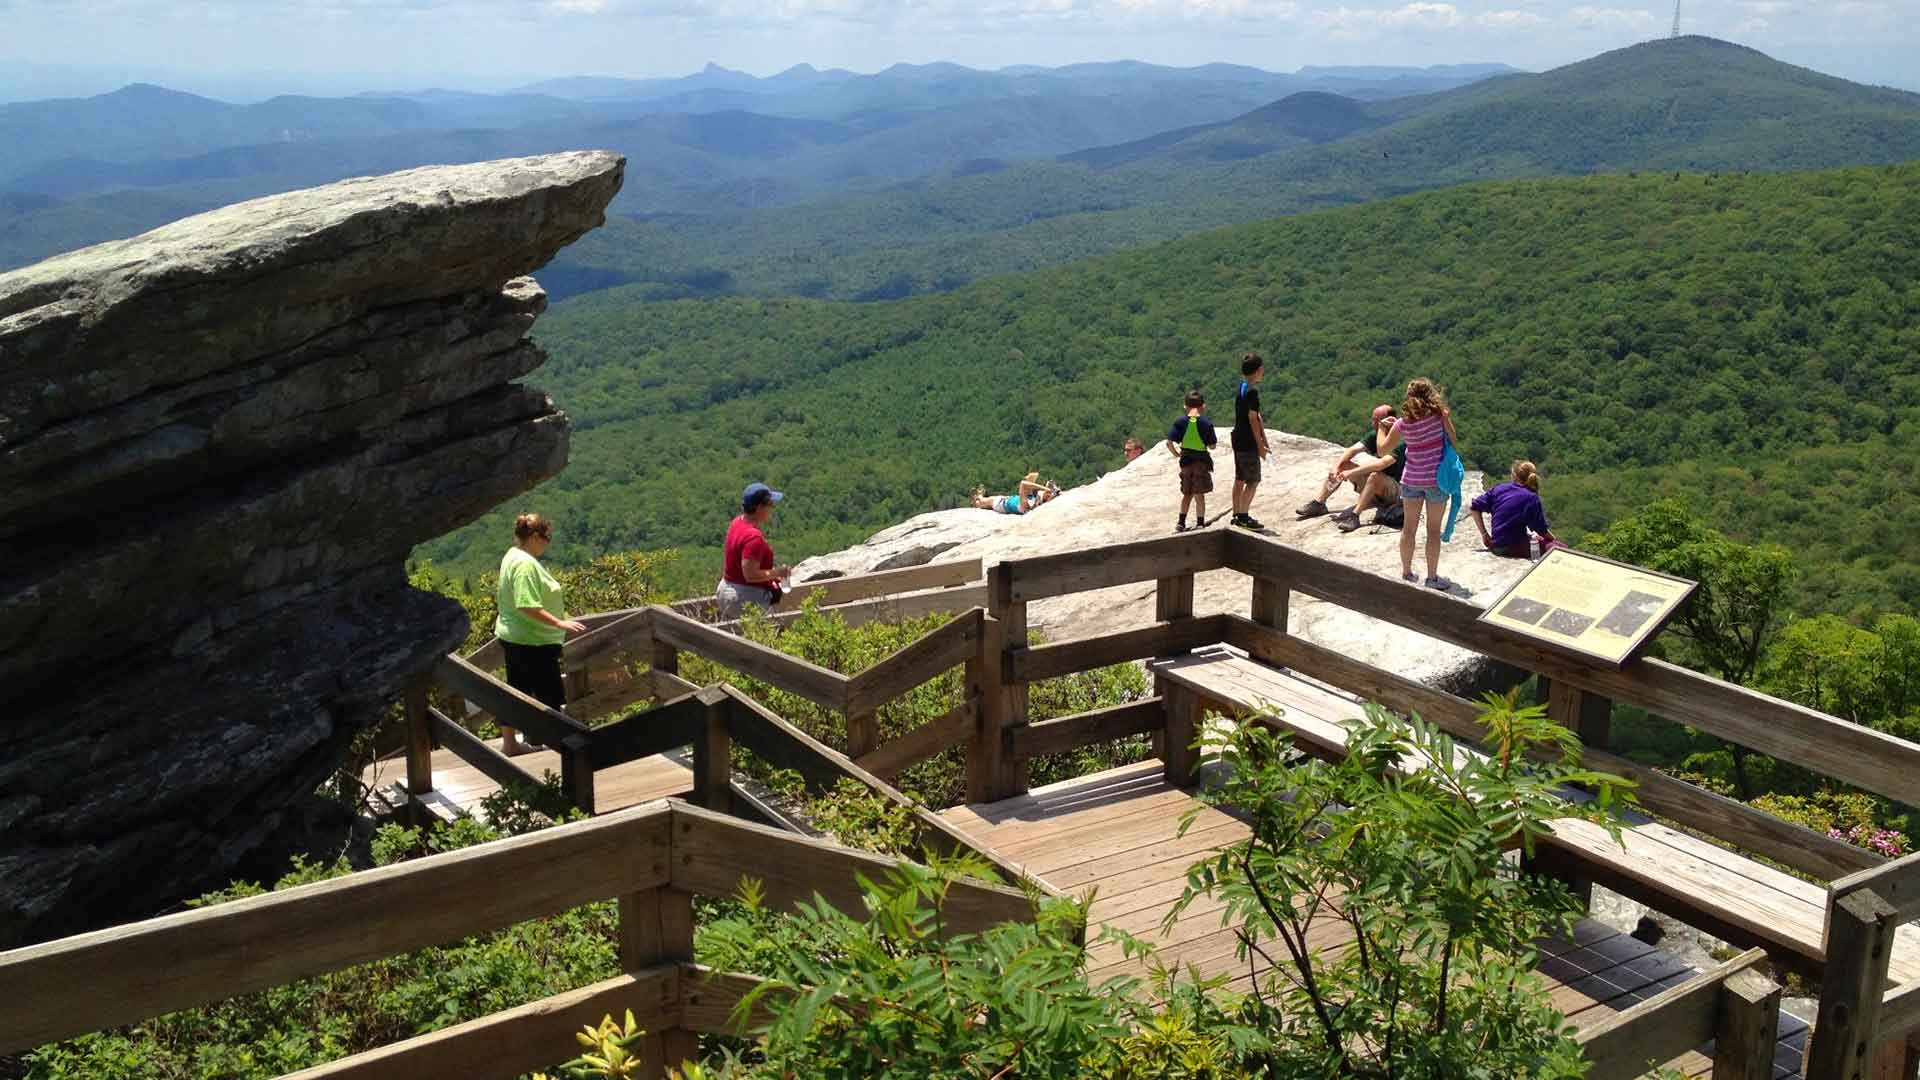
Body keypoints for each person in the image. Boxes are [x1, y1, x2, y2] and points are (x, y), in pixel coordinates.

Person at [494, 512, 587, 757]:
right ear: (535, 537)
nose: (548, 543)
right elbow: (527, 605)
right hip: (533, 640)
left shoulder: (512, 555)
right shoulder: (525, 565)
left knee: (516, 691)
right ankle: (555, 747)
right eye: (547, 538)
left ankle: (513, 744)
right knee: (549, 694)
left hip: (516, 636)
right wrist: (559, 623)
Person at [1376, 377, 1460, 590]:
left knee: (1408, 529)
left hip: (1411, 479)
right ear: (1431, 395)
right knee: (1433, 531)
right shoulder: (1438, 416)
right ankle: (1432, 578)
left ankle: (1406, 573)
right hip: (1436, 481)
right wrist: (1446, 418)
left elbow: (1382, 450)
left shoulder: (1402, 423)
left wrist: (1381, 428)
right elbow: (1454, 440)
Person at [1296, 404, 1403, 532]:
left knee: (1375, 476)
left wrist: (1351, 472)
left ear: (1390, 421)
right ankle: (1319, 503)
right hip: (1378, 485)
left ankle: (1354, 516)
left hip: (1395, 490)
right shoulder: (1374, 435)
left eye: (1377, 420)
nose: (1373, 423)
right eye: (1373, 419)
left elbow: (1381, 464)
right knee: (1343, 464)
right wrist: (1336, 467)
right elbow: (1351, 451)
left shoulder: (1399, 439)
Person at [717, 482, 792, 621]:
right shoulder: (753, 537)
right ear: (759, 508)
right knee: (771, 630)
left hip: (725, 591)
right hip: (744, 599)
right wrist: (778, 572)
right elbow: (750, 575)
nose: (772, 508)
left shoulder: (736, 522)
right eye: (770, 504)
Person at [1472, 460, 1557, 558]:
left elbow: (1474, 507)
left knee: (1536, 539)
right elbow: (1541, 530)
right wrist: (1554, 540)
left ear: (1514, 476)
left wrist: (1484, 534)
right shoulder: (1531, 497)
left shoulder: (1499, 489)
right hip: (1513, 547)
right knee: (1558, 548)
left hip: (1496, 544)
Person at [1164, 389, 1217, 532]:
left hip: (1185, 462)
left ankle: (1181, 522)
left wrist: (1176, 454)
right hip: (1201, 463)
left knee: (1187, 494)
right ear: (1203, 406)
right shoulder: (1206, 424)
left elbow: (1169, 442)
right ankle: (1200, 523)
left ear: (1185, 406)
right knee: (1199, 494)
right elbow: (1212, 446)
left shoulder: (1180, 422)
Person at [1230, 352, 1271, 530]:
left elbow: (1255, 416)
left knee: (1240, 478)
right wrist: (1260, 445)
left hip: (1237, 437)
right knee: (1252, 481)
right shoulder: (1253, 392)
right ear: (1258, 370)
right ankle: (1243, 517)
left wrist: (1264, 439)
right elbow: (1253, 418)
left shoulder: (1242, 386)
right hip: (1248, 441)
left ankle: (1236, 514)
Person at [972, 472, 1059, 515]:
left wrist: (1046, 488)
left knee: (982, 502)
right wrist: (1049, 489)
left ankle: (977, 497)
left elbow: (1023, 484)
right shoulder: (1031, 501)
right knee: (1035, 475)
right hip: (1006, 499)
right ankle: (978, 497)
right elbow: (1032, 481)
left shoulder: (1024, 507)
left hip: (1000, 504)